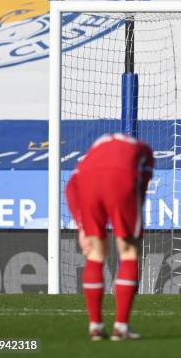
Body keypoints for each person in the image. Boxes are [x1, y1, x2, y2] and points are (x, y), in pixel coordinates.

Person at [66, 133, 154, 340]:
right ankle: (121, 328)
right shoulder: (145, 150)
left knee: (95, 254)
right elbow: (141, 186)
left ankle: (95, 327)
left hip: (87, 182)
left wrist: (82, 229)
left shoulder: (95, 148)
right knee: (129, 251)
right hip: (121, 180)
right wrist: (132, 223)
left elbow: (71, 187)